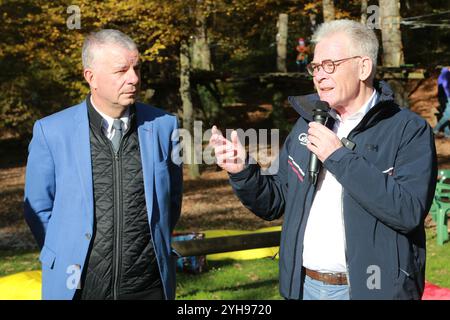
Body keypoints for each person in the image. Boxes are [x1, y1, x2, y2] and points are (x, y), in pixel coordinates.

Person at [210, 19, 437, 300]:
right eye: (315, 67)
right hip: (304, 287)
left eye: (330, 65)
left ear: (363, 67)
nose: (319, 75)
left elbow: (408, 211)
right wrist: (242, 171)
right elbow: (275, 201)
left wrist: (338, 156)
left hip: (371, 290)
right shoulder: (309, 123)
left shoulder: (407, 130)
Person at [24, 29, 182, 300]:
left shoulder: (164, 126)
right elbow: (38, 207)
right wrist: (65, 252)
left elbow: (172, 200)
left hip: (148, 287)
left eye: (137, 68)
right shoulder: (51, 131)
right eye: (121, 71)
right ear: (91, 77)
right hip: (78, 289)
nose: (134, 79)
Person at [433, 67, 450, 138]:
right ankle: (435, 129)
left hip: (442, 97)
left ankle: (447, 133)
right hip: (446, 97)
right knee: (448, 115)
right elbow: (445, 85)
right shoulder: (446, 74)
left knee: (446, 114)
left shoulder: (442, 74)